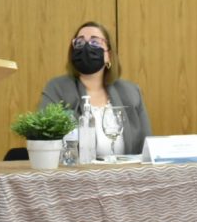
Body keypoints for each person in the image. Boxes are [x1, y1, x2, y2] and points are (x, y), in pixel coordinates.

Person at [39, 21, 152, 155]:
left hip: (126, 174)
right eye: (79, 43)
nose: (86, 47)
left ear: (108, 55)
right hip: (75, 174)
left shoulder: (130, 92)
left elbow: (148, 146)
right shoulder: (57, 89)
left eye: (95, 42)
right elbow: (42, 140)